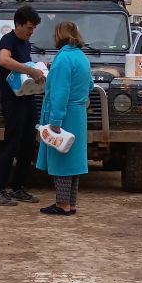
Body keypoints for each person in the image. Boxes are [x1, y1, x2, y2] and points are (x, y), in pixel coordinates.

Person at [36, 19, 92, 216]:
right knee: (73, 160)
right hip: (78, 114)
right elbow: (90, 85)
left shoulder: (63, 59)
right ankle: (71, 202)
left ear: (58, 35)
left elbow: (60, 92)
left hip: (65, 114)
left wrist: (55, 122)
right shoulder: (82, 57)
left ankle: (62, 204)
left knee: (61, 158)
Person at [0, 5, 48, 206]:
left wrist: (39, 71)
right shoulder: (8, 40)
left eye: (33, 29)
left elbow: (27, 70)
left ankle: (17, 188)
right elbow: (4, 60)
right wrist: (29, 70)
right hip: (13, 101)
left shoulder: (26, 44)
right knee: (12, 143)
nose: (31, 32)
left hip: (27, 99)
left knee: (27, 144)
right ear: (18, 24)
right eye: (29, 28)